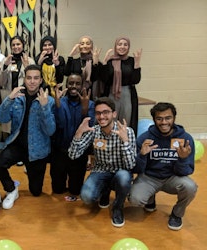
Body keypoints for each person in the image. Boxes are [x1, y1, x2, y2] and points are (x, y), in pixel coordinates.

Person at [0, 64, 56, 209]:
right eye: (29, 78)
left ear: (41, 80)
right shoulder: (17, 98)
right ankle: (11, 188)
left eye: (36, 78)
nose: (32, 81)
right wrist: (9, 98)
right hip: (18, 145)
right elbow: (2, 118)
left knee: (36, 192)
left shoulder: (49, 101)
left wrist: (44, 107)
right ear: (24, 80)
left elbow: (50, 131)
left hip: (37, 151)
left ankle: (30, 171)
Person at [68, 97, 136, 227]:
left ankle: (118, 207)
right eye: (98, 113)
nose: (102, 116)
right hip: (101, 170)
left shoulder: (127, 132)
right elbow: (73, 155)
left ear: (114, 114)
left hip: (120, 172)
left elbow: (131, 165)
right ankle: (104, 192)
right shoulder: (94, 131)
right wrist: (78, 134)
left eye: (106, 112)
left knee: (123, 177)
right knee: (87, 197)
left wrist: (125, 141)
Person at [129, 102, 197, 231]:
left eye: (168, 118)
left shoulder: (185, 139)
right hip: (149, 178)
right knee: (135, 200)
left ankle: (177, 214)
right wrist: (142, 155)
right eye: (159, 118)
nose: (164, 122)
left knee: (190, 187)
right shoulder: (144, 139)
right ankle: (150, 198)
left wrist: (182, 159)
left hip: (173, 177)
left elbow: (188, 170)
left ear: (174, 118)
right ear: (154, 120)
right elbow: (136, 170)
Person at [51, 73, 95, 201]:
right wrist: (58, 105)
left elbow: (90, 128)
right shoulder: (60, 101)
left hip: (79, 153)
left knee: (75, 190)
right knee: (57, 189)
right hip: (60, 150)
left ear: (82, 86)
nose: (73, 86)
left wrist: (84, 109)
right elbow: (60, 125)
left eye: (77, 83)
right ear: (66, 85)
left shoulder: (90, 104)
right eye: (70, 83)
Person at [101, 37, 142, 135]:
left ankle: (125, 143)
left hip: (127, 94)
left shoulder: (132, 60)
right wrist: (104, 63)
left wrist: (137, 63)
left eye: (125, 44)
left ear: (128, 47)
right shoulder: (110, 60)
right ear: (115, 46)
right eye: (119, 44)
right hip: (111, 93)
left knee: (126, 121)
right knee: (110, 119)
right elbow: (104, 79)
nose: (122, 47)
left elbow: (135, 80)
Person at [0, 35, 35, 138]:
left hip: (23, 98)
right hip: (9, 98)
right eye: (13, 45)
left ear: (23, 45)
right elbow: (1, 83)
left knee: (22, 126)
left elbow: (33, 82)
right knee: (8, 128)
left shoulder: (30, 61)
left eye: (18, 44)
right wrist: (5, 66)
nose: (16, 47)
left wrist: (27, 66)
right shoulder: (6, 60)